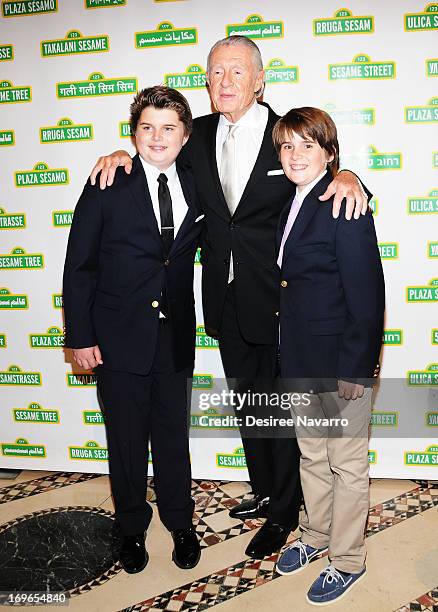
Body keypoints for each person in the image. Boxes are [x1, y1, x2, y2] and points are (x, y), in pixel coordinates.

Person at [89, 36, 372, 559]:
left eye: (237, 72)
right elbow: (157, 154)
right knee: (249, 408)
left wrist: (352, 176)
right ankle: (266, 492)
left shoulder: (285, 133)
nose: (225, 82)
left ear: (259, 80)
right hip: (222, 301)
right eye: (216, 72)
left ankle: (288, 511)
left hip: (278, 305)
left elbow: (323, 175)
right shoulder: (197, 136)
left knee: (280, 415)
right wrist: (119, 156)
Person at [63, 86, 203, 574]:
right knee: (125, 441)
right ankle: (130, 528)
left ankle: (180, 522)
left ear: (186, 136)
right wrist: (79, 337)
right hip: (117, 336)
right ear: (133, 132)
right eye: (147, 127)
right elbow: (79, 265)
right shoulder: (107, 181)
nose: (157, 137)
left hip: (175, 336)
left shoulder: (198, 180)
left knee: (172, 437)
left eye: (168, 128)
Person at [273, 107, 384, 605]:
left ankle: (348, 560)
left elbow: (367, 294)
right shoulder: (290, 203)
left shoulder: (345, 203)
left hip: (340, 367)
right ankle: (316, 536)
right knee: (312, 457)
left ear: (329, 153)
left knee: (347, 465)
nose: (296, 155)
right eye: (287, 146)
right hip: (298, 359)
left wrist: (357, 368)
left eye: (307, 146)